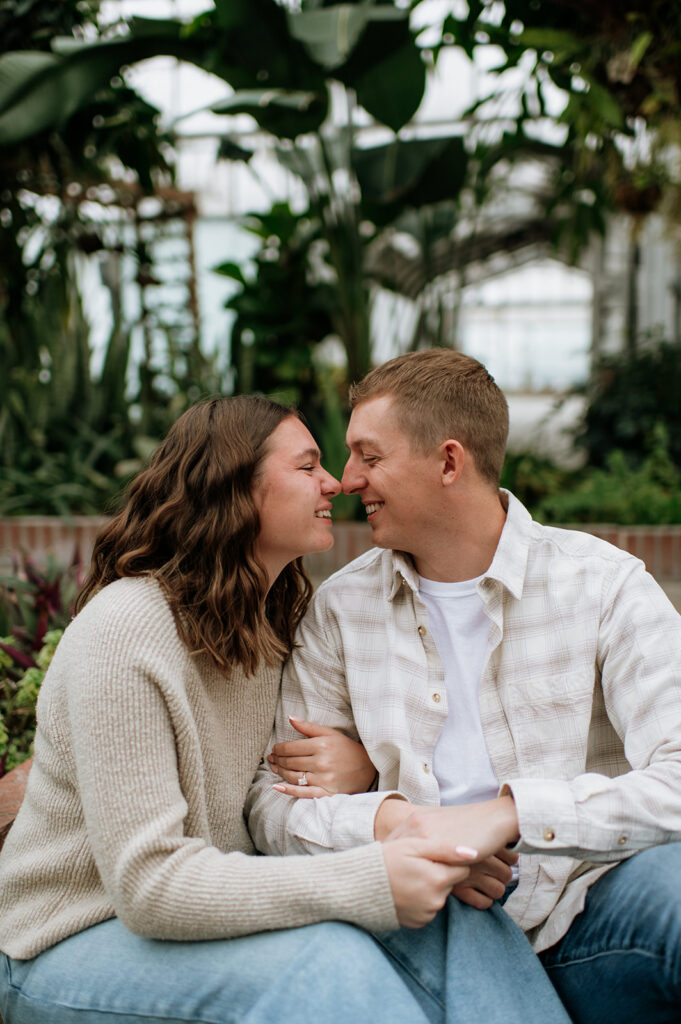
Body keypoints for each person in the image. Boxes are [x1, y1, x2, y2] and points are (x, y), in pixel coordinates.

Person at [0, 394, 551, 1024]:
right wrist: (375, 877)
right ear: (234, 487)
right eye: (308, 466)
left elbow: (280, 785)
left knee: (458, 913)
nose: (336, 483)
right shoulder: (127, 631)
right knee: (328, 963)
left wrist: (377, 783)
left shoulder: (266, 626)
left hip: (204, 920)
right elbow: (149, 888)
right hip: (71, 942)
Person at [247, 349, 681, 1024]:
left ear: (449, 463)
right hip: (420, 926)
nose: (346, 479)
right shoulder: (338, 608)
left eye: (368, 456)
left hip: (587, 916)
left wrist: (508, 814)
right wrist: (405, 829)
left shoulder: (603, 584)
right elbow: (273, 810)